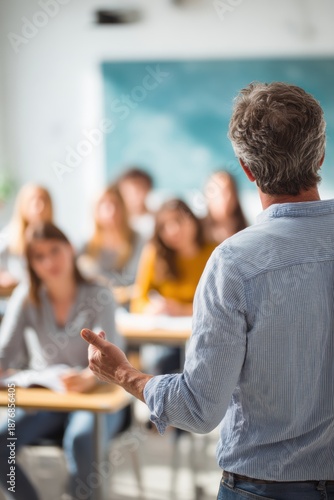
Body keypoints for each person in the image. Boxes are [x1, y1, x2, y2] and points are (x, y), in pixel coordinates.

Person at [82, 82, 334, 499]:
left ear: (247, 168)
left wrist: (123, 374)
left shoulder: (233, 263)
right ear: (320, 155)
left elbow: (200, 408)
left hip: (262, 487)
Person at [0, 222, 125, 500]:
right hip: (48, 399)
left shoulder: (99, 294)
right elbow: (3, 353)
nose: (49, 262)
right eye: (39, 257)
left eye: (55, 251)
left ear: (69, 249)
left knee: (81, 440)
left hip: (96, 397)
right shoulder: (26, 296)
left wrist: (89, 376)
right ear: (31, 264)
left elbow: (113, 360)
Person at [77, 184, 145, 291]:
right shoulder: (87, 245)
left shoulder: (138, 240)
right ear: (96, 210)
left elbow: (138, 278)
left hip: (129, 303)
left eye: (116, 204)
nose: (112, 211)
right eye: (105, 205)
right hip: (96, 303)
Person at [0, 184, 53, 288]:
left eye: (43, 200)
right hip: (15, 294)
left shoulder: (55, 238)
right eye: (33, 200)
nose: (40, 206)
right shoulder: (9, 236)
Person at [204, 171, 248, 243]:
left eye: (227, 190)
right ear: (206, 195)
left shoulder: (246, 232)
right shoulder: (196, 231)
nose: (223, 197)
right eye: (215, 191)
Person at [117, 167, 155, 239]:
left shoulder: (157, 220)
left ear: (148, 189)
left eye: (139, 189)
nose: (134, 194)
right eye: (129, 190)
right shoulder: (115, 221)